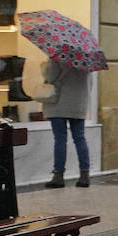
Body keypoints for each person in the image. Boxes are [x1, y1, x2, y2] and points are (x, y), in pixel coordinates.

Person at [40, 60, 92, 188]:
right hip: (78, 104)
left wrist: (45, 65)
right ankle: (84, 175)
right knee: (80, 138)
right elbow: (90, 84)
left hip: (59, 104)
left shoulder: (58, 58)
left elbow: (50, 77)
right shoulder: (86, 60)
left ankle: (58, 176)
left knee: (60, 140)